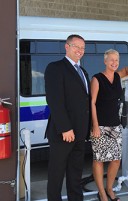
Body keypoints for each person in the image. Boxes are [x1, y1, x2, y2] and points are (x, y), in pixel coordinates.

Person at [44, 34, 90, 201]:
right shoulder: (55, 68)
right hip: (62, 133)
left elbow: (85, 103)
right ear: (67, 47)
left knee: (75, 173)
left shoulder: (83, 71)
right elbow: (55, 101)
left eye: (82, 48)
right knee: (56, 174)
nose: (80, 50)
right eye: (76, 46)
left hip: (80, 133)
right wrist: (65, 128)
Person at [90, 49, 128, 201]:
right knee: (99, 159)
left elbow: (127, 68)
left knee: (116, 159)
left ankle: (109, 189)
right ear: (105, 61)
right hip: (101, 126)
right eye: (111, 60)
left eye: (116, 60)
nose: (114, 63)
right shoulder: (97, 79)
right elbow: (92, 103)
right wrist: (95, 126)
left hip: (115, 125)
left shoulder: (117, 76)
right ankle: (101, 193)